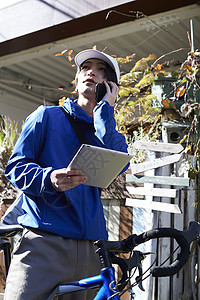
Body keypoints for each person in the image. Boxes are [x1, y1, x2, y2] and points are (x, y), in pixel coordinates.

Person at [3, 49, 129, 300]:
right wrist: (48, 179)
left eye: (101, 69)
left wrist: (105, 112)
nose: (91, 71)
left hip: (92, 249)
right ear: (76, 78)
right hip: (43, 243)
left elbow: (120, 164)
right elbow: (15, 167)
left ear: (111, 85)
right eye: (86, 67)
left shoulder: (110, 133)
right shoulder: (45, 117)